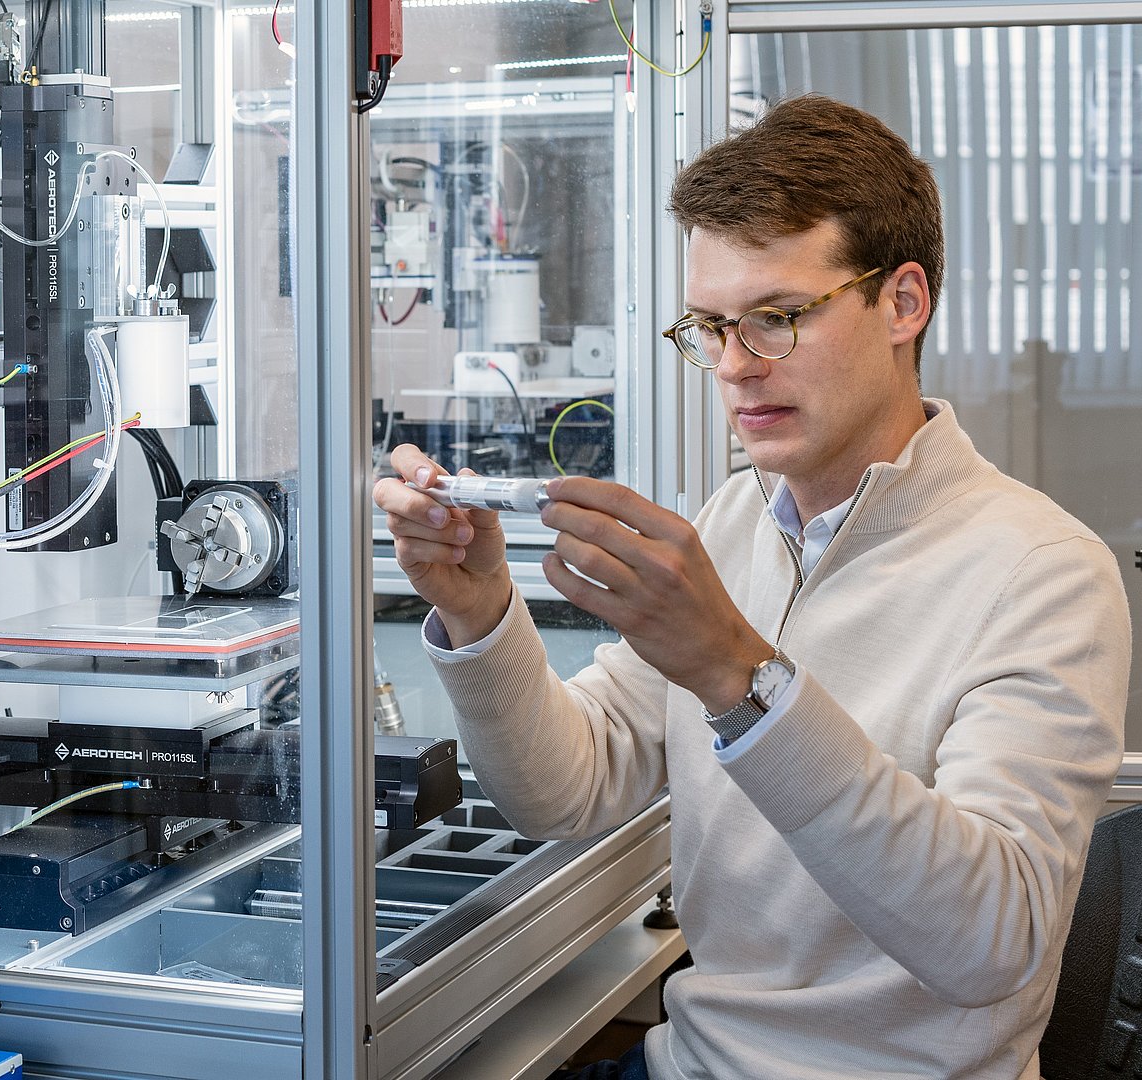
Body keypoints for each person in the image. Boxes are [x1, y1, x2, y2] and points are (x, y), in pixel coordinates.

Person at [374, 94, 1131, 1080]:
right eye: (712, 326)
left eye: (776, 319)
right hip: (696, 1060)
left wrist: (739, 676)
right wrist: (480, 614)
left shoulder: (1043, 571)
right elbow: (566, 790)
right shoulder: (738, 521)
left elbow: (990, 947)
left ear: (903, 303)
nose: (733, 368)